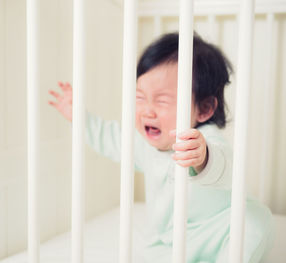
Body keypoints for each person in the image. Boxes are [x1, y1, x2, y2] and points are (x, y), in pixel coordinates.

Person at [48, 32, 273, 263]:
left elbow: (224, 165)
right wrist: (80, 117)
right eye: (140, 97)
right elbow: (109, 137)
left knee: (254, 219)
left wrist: (203, 157)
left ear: (204, 108)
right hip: (168, 243)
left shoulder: (205, 140)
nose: (147, 110)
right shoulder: (143, 144)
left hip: (213, 233)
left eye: (162, 101)